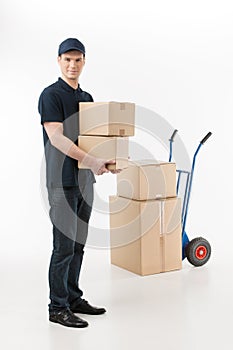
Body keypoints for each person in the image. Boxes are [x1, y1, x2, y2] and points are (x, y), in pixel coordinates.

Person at [38, 37, 117, 328]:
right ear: (58, 61)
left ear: (84, 62)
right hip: (61, 183)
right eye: (67, 59)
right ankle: (56, 307)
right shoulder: (51, 95)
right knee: (64, 246)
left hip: (85, 181)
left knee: (79, 244)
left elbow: (93, 141)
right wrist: (93, 160)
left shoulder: (87, 99)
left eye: (78, 59)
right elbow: (56, 138)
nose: (72, 65)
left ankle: (72, 298)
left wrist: (105, 160)